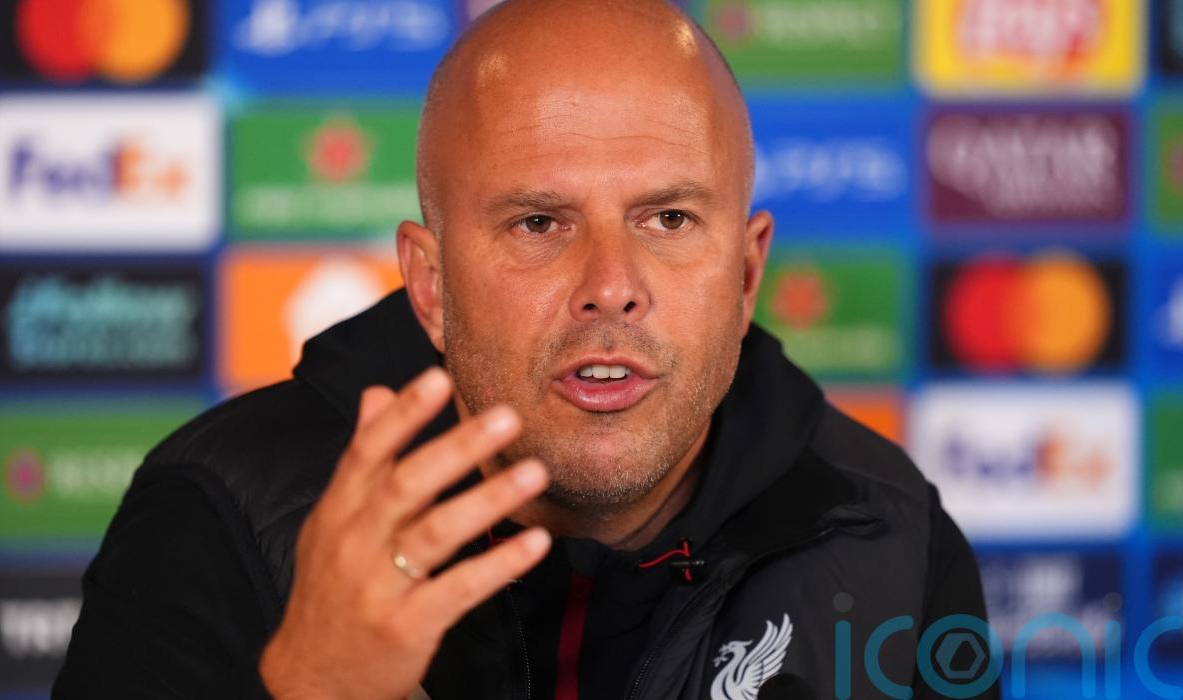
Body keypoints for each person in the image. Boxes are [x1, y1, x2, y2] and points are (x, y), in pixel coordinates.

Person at [54, 1, 995, 698]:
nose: (611, 284)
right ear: (432, 287)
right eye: (540, 223)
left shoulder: (889, 534)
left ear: (746, 277)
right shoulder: (216, 519)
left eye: (668, 219)